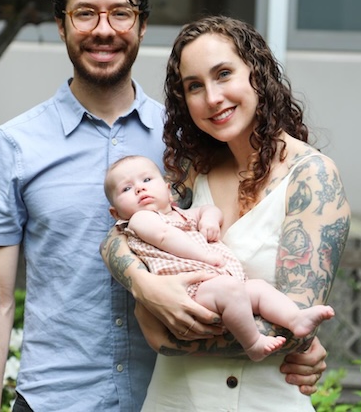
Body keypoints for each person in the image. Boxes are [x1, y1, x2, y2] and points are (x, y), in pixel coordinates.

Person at [0, 0, 327, 412]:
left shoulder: (192, 138)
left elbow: (248, 232)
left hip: (168, 398)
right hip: (55, 399)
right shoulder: (15, 145)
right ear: (61, 25)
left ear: (140, 25)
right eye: (85, 14)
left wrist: (294, 336)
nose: (104, 29)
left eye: (120, 13)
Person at [101, 16, 351, 411]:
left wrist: (162, 331)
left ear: (257, 73)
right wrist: (142, 286)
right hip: (173, 401)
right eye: (194, 86)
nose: (212, 97)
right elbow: (120, 234)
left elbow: (296, 327)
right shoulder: (192, 169)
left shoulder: (311, 178)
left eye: (223, 74)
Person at [104, 154, 335, 362]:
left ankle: (294, 319)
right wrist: (204, 254)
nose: (139, 189)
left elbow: (208, 210)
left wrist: (210, 220)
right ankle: (253, 342)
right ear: (115, 212)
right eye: (126, 189)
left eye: (146, 180)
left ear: (167, 189)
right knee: (231, 290)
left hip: (222, 284)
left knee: (258, 289)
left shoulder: (181, 214)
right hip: (190, 291)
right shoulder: (140, 220)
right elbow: (165, 237)